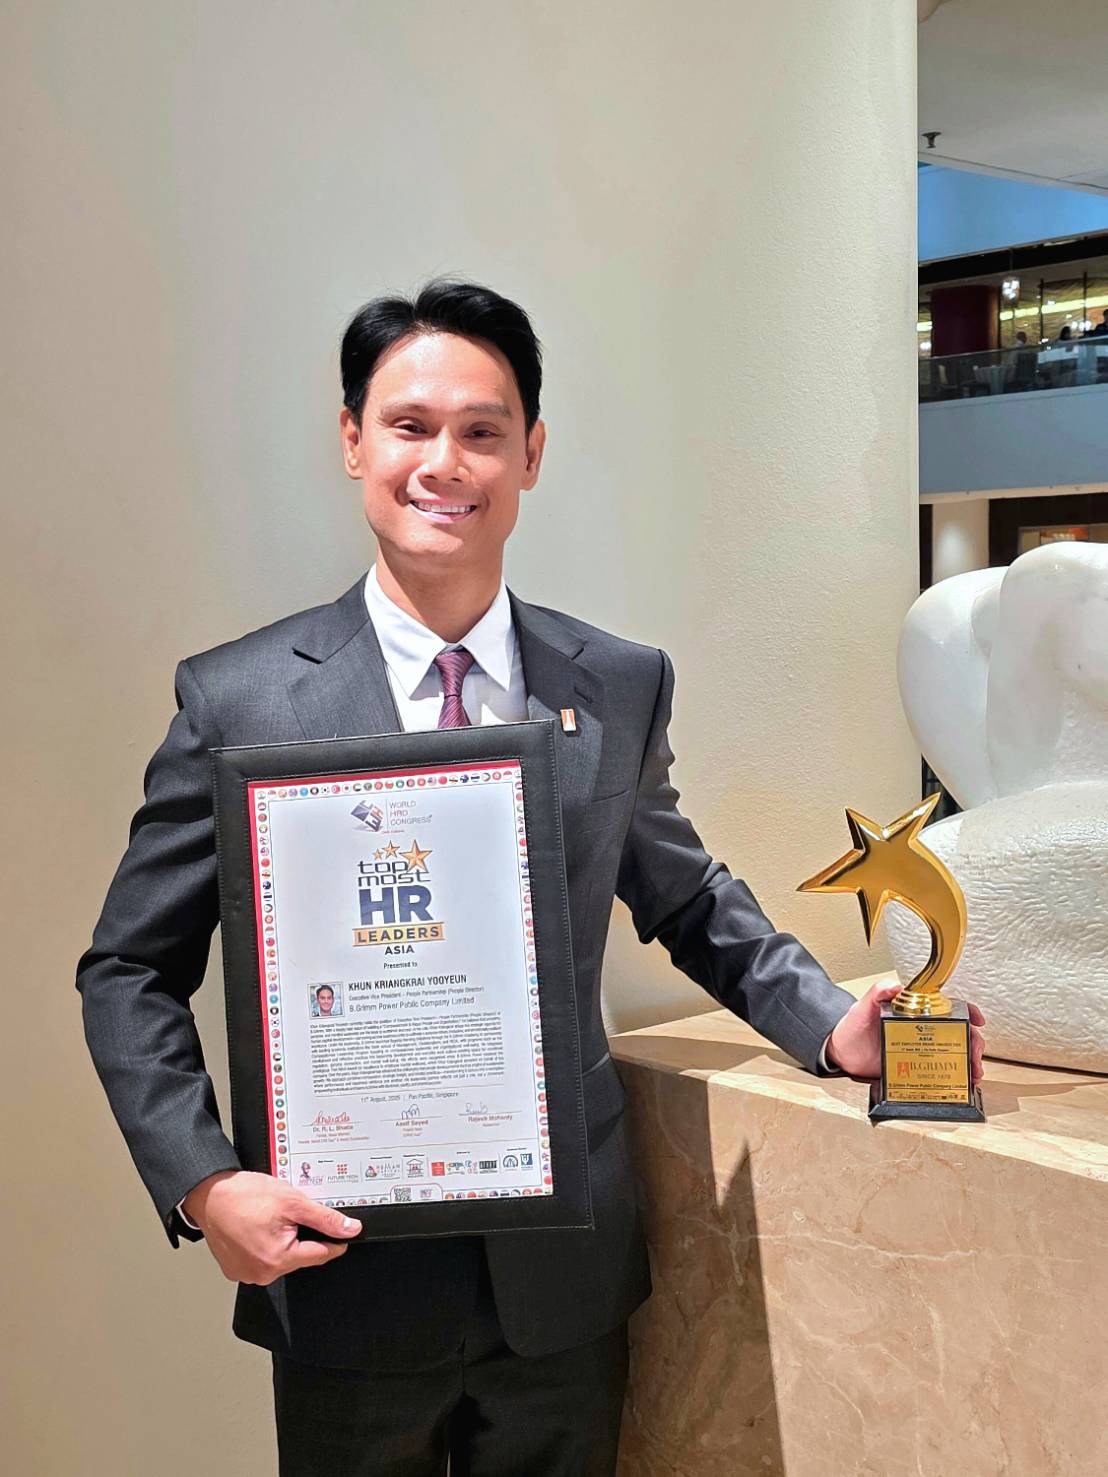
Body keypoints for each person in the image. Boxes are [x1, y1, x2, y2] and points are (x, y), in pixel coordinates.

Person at [77, 278, 985, 1476]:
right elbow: (128, 969)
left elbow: (684, 893)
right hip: (344, 1270)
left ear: (530, 453)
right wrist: (205, 1184)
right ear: (353, 440)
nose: (443, 462)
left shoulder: (615, 680)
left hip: (565, 1275)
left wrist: (828, 1022)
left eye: (481, 430)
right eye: (408, 425)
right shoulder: (239, 700)